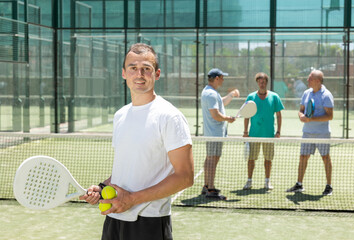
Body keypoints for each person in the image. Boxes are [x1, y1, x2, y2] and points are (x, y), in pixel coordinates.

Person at [80, 43, 194, 240]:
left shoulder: (170, 117)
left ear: (157, 74)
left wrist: (132, 199)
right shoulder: (120, 115)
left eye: (146, 69)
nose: (139, 74)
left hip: (149, 223)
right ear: (124, 73)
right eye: (133, 68)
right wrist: (101, 187)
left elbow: (185, 177)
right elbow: (127, 169)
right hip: (114, 218)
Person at [287, 70, 334, 196]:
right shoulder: (306, 93)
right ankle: (299, 184)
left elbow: (329, 116)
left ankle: (329, 186)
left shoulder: (326, 95)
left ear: (317, 81)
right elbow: (301, 110)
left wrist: (311, 119)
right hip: (307, 132)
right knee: (303, 157)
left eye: (310, 79)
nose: (307, 81)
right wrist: (301, 116)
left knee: (325, 157)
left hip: (322, 133)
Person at [201, 68, 240, 200]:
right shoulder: (211, 94)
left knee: (210, 158)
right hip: (214, 133)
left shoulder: (210, 92)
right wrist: (228, 118)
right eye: (222, 77)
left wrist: (231, 95)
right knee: (213, 159)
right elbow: (216, 115)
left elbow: (220, 103)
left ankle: (206, 186)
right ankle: (210, 189)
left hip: (213, 133)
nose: (223, 80)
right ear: (217, 78)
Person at [243, 72, 284, 190]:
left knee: (268, 159)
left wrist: (278, 132)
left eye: (264, 82)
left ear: (266, 83)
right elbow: (246, 116)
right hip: (254, 135)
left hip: (269, 135)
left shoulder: (274, 97)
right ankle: (249, 181)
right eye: (260, 82)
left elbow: (279, 115)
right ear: (257, 83)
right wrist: (245, 132)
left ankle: (267, 182)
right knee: (251, 159)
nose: (262, 84)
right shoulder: (251, 97)